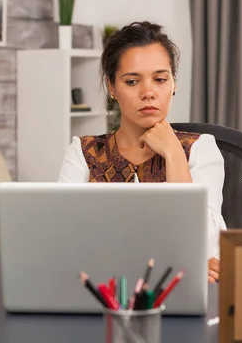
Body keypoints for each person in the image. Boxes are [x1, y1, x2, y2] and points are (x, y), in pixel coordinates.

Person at [58, 21, 226, 283]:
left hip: (185, 299)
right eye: (133, 81)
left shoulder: (201, 149)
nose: (148, 93)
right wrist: (175, 263)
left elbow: (202, 247)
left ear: (174, 85)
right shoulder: (83, 152)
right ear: (112, 87)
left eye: (160, 79)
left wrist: (172, 152)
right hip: (104, 299)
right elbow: (64, 245)